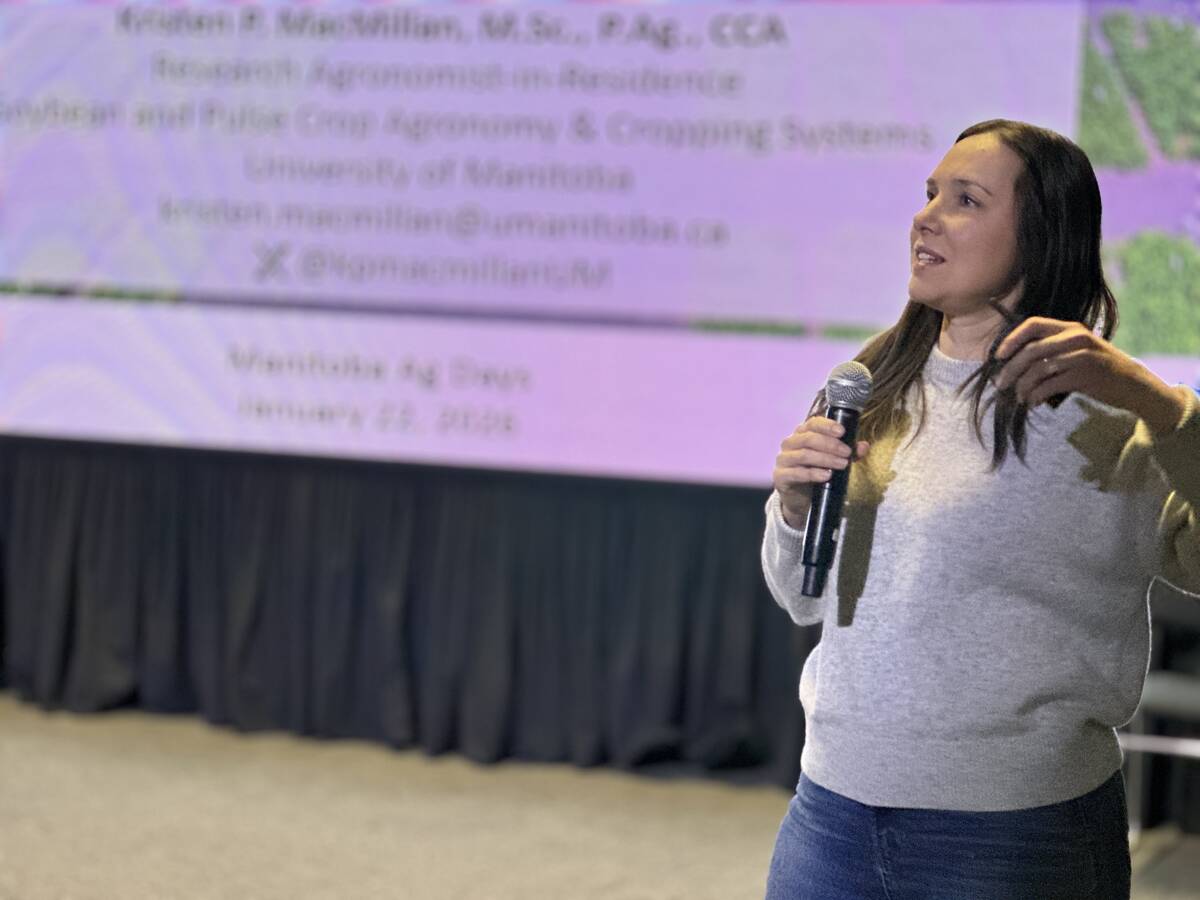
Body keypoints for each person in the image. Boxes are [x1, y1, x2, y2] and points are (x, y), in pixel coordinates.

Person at [761, 119, 1200, 900]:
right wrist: (794, 508)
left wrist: (1165, 412)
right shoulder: (868, 381)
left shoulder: (1114, 414)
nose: (926, 216)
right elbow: (802, 596)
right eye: (930, 193)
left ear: (1039, 237)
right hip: (830, 812)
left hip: (1017, 832)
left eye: (965, 200)